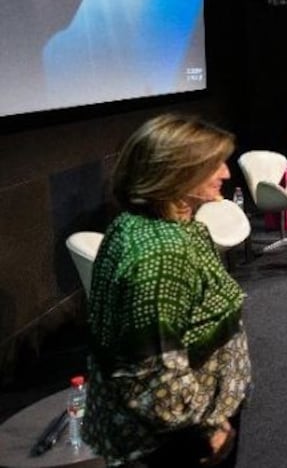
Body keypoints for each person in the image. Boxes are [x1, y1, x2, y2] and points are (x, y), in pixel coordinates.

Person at [84, 114, 250, 466]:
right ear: (175, 172)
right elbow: (152, 374)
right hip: (179, 444)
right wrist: (206, 431)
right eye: (213, 165)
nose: (225, 173)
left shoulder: (159, 226)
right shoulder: (159, 255)